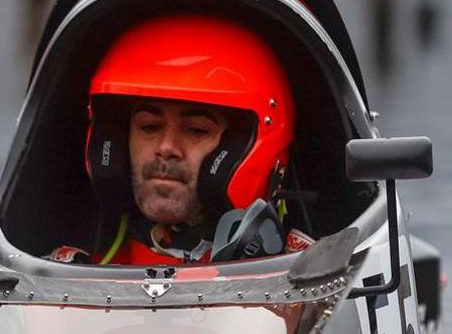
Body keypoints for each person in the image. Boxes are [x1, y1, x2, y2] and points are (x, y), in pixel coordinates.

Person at [53, 14, 315, 266]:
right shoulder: (58, 290)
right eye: (149, 126)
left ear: (245, 148)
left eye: (196, 130)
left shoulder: (310, 290)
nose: (166, 147)